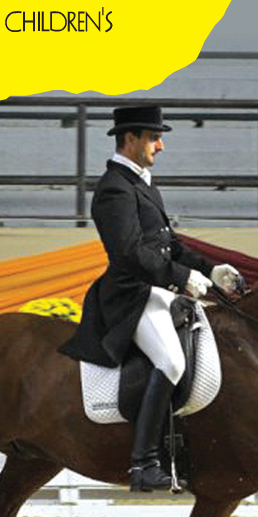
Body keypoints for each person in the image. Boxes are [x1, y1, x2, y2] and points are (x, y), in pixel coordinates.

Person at [61, 104, 242, 491]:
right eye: (154, 138)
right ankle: (143, 464)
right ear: (131, 139)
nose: (161, 146)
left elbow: (168, 245)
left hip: (155, 291)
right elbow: (129, 254)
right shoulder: (114, 189)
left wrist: (211, 270)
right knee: (172, 361)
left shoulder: (142, 184)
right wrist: (181, 277)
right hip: (130, 296)